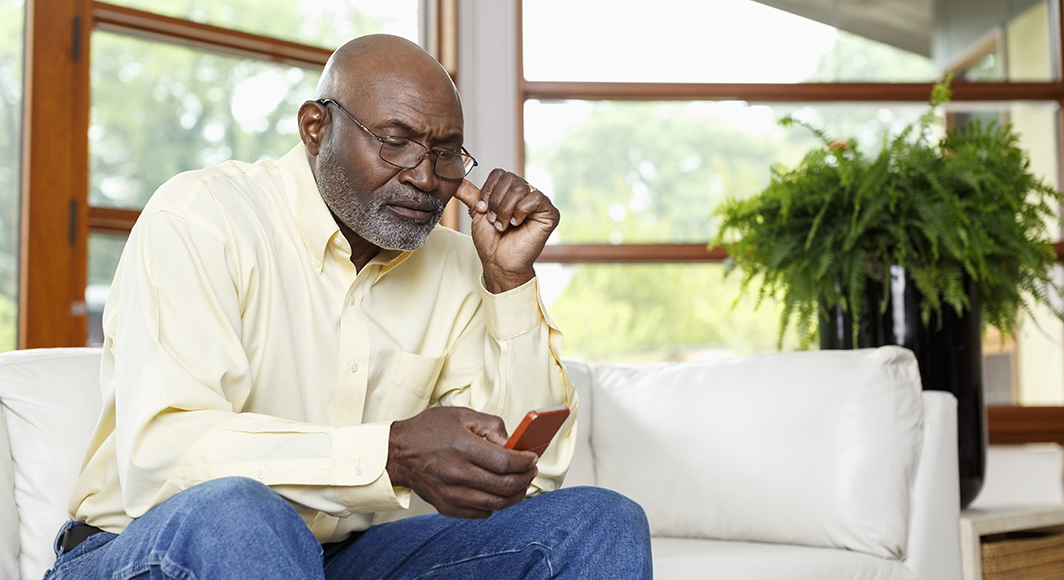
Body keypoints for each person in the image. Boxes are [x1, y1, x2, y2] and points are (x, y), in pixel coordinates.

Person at [46, 34, 652, 579]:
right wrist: (390, 453)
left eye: (446, 152)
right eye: (396, 143)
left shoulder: (459, 263)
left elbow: (533, 479)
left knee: (599, 521)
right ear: (316, 127)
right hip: (143, 550)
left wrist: (508, 280)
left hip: (340, 558)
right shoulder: (203, 216)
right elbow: (163, 460)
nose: (425, 177)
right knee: (240, 513)